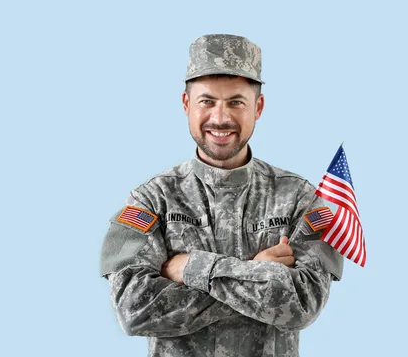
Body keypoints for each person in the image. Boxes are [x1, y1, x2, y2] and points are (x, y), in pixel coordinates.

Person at [100, 34, 343, 357]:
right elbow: (133, 309)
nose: (220, 117)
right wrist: (257, 272)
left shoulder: (300, 197)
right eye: (207, 101)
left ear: (258, 106)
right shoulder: (150, 200)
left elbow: (301, 305)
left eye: (236, 102)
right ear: (186, 104)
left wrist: (190, 269)